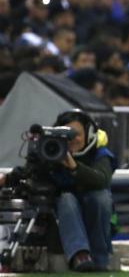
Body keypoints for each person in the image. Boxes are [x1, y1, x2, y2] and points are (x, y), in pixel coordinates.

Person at [0, 110, 117, 272]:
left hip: (96, 214)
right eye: (66, 135)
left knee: (101, 196)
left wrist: (74, 167)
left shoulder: (100, 154)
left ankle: (99, 258)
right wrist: (6, 178)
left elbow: (101, 180)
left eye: (76, 134)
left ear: (89, 134)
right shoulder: (51, 153)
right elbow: (29, 171)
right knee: (66, 198)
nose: (72, 140)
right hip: (62, 219)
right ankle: (80, 255)